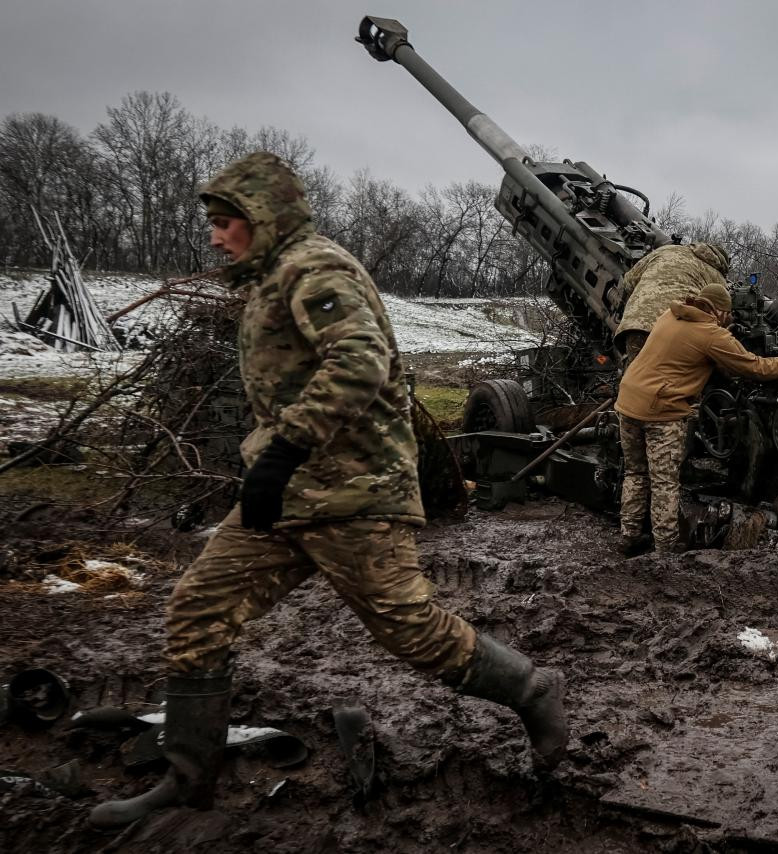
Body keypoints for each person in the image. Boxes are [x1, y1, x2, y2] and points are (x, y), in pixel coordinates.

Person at [89, 152, 567, 828]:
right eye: (215, 224)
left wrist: (283, 449)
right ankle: (188, 779)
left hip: (354, 495)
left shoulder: (314, 269)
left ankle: (532, 689)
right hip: (287, 497)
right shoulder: (266, 278)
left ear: (263, 219)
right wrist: (274, 467)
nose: (217, 236)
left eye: (228, 223)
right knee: (197, 609)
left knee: (411, 631)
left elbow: (360, 360)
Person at [614, 283, 778, 555]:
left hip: (628, 402)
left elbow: (686, 352)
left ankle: (628, 537)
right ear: (716, 310)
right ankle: (665, 551)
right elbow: (755, 367)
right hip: (660, 411)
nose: (728, 318)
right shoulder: (711, 334)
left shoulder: (671, 315)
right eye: (726, 313)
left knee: (636, 473)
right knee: (665, 483)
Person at [614, 242, 730, 366]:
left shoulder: (668, 250)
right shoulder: (717, 277)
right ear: (722, 263)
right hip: (674, 331)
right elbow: (721, 312)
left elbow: (629, 281)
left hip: (637, 323)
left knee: (637, 374)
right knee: (667, 379)